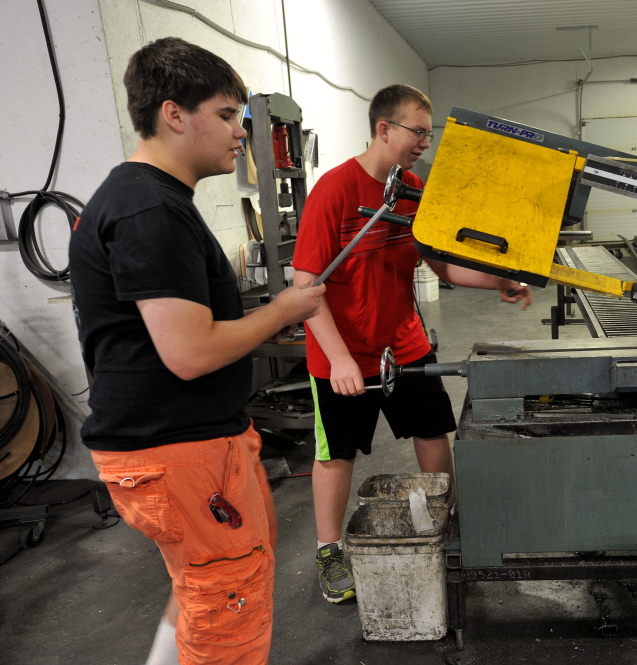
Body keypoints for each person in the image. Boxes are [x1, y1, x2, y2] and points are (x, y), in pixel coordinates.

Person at [68, 37, 325, 665]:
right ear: (173, 113)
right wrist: (283, 312)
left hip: (179, 444)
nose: (242, 133)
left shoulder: (149, 200)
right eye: (228, 114)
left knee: (202, 587)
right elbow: (189, 352)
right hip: (179, 450)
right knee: (226, 607)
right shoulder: (149, 209)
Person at [291, 84, 532, 604]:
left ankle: (444, 524)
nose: (425, 141)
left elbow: (439, 262)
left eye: (428, 132)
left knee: (430, 433)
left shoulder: (411, 187)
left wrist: (496, 281)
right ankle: (329, 549)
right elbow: (304, 287)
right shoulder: (334, 191)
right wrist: (337, 359)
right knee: (336, 455)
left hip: (404, 343)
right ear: (384, 129)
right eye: (417, 131)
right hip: (344, 354)